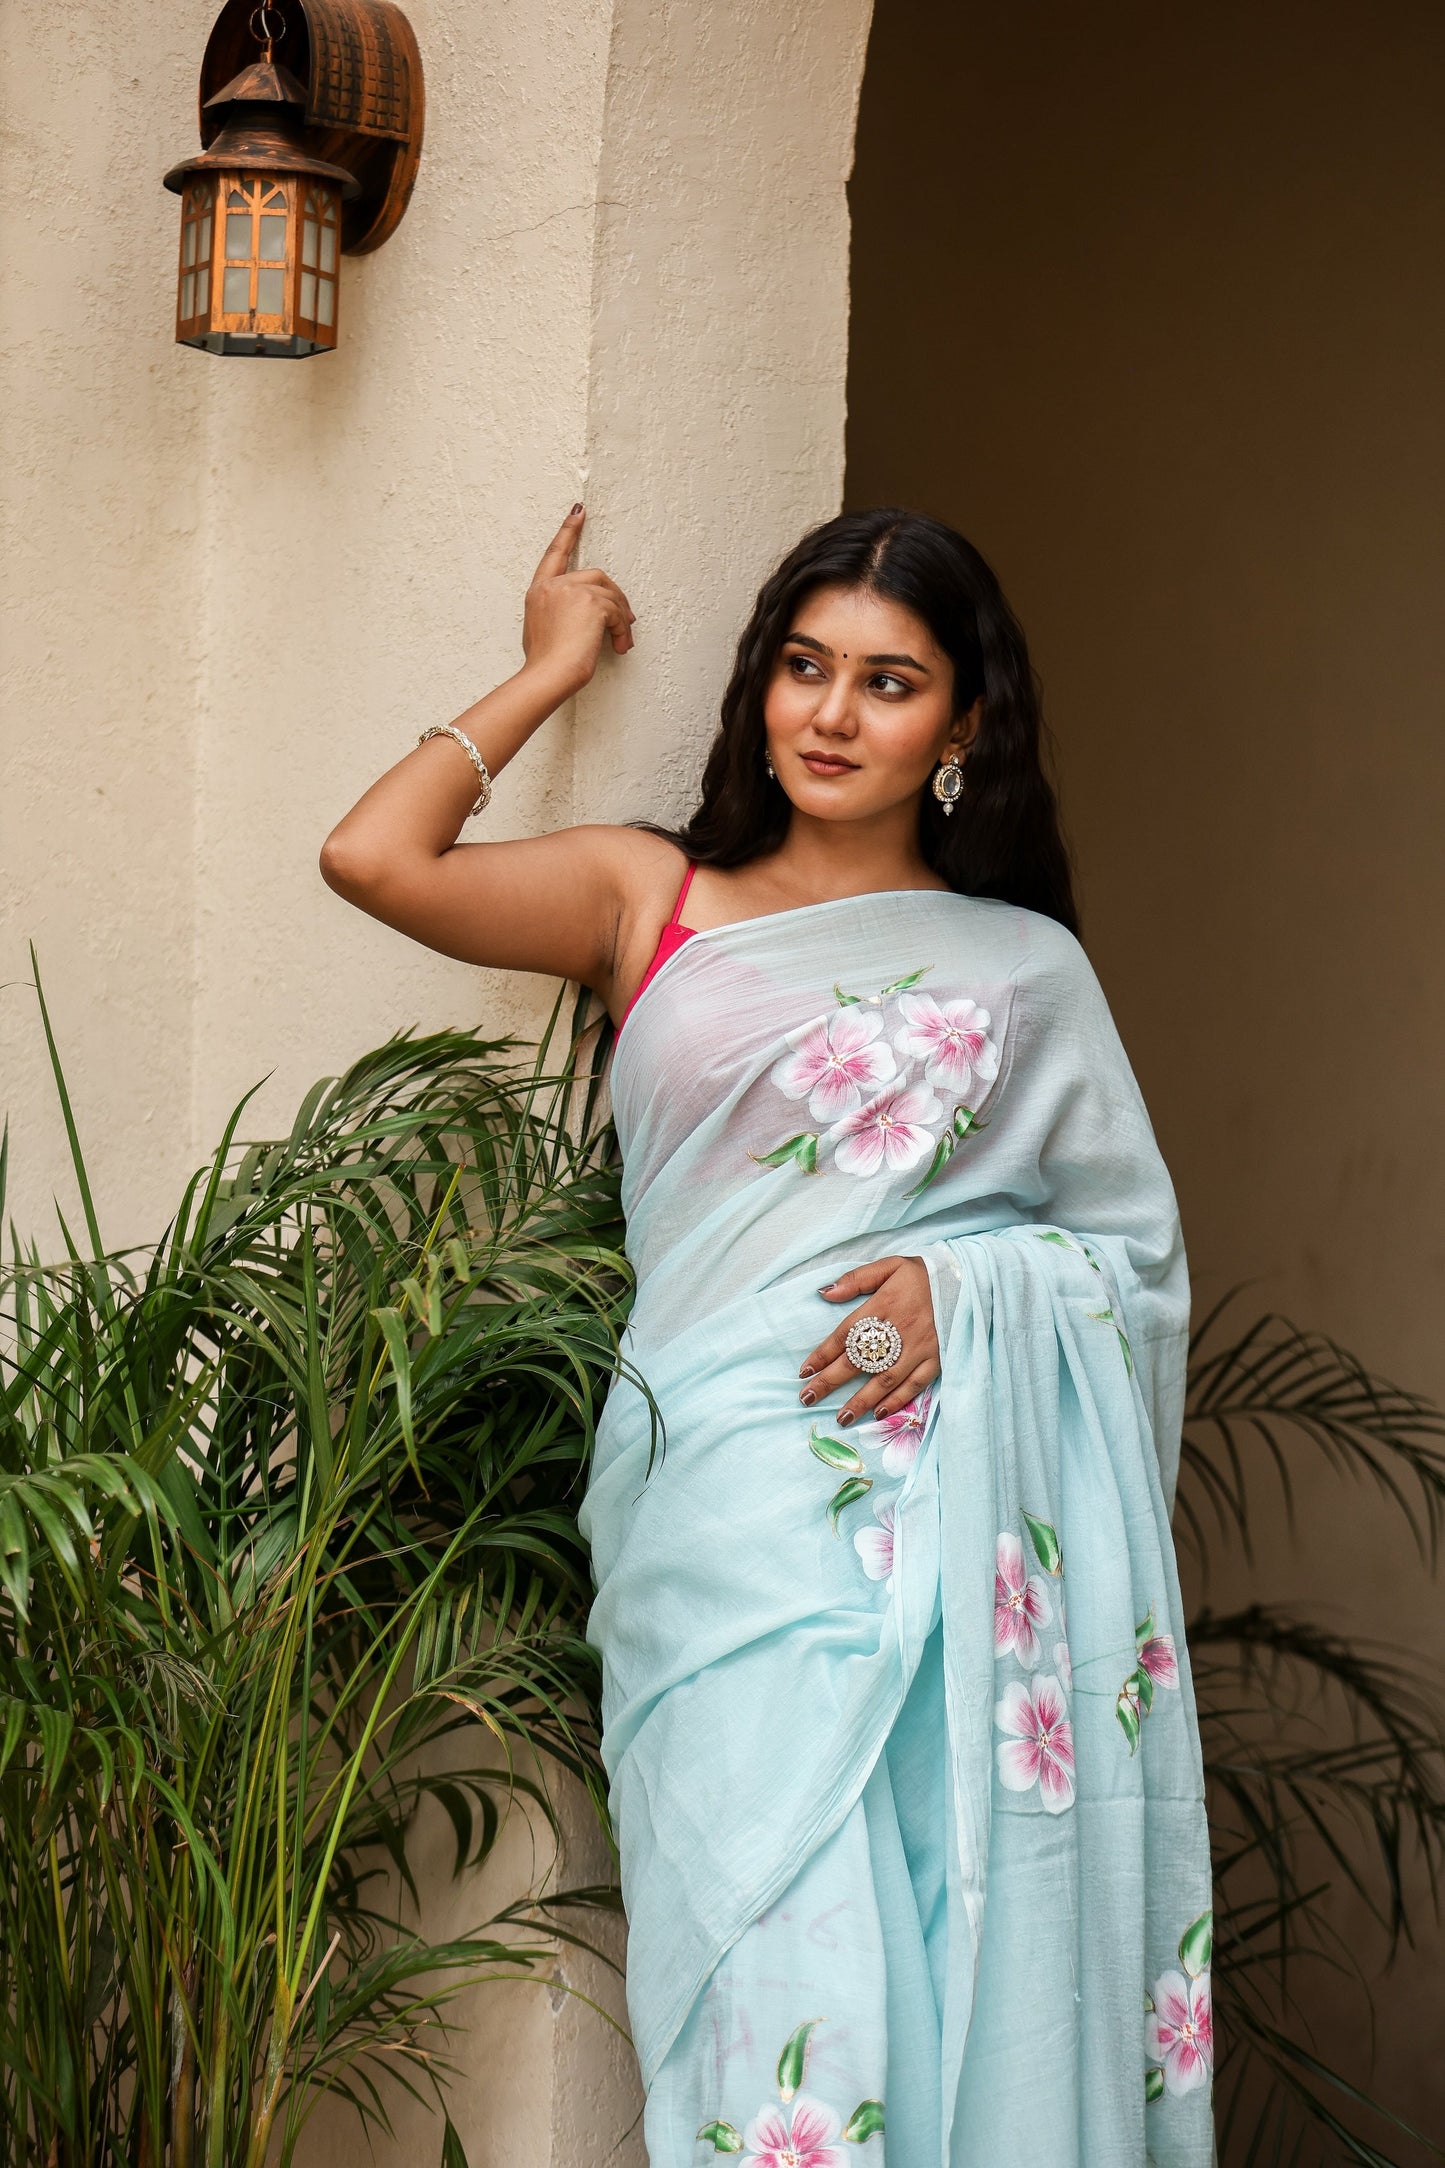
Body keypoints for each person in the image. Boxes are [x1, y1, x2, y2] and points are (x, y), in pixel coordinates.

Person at [321, 504, 1215, 2166]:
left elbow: (1130, 1257)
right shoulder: (646, 895)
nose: (829, 713)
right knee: (764, 1969)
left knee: (947, 1933)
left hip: (954, 1540)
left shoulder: (1023, 973)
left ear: (960, 729)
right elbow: (376, 861)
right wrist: (551, 665)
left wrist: (966, 1293)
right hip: (720, 1518)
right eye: (803, 667)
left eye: (888, 683)